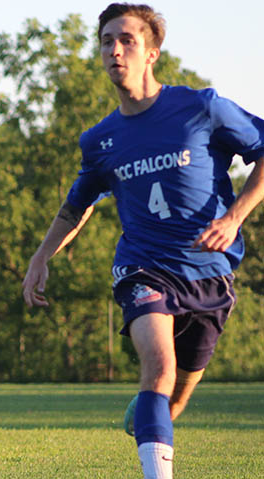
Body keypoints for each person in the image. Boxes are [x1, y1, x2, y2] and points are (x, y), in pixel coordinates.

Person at [21, 4, 264, 478]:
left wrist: (235, 217)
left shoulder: (201, 108)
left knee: (175, 397)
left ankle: (151, 416)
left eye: (127, 40)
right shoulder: (100, 140)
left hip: (209, 274)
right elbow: (77, 206)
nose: (115, 49)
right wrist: (40, 258)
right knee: (159, 368)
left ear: (151, 52)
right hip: (142, 268)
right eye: (107, 40)